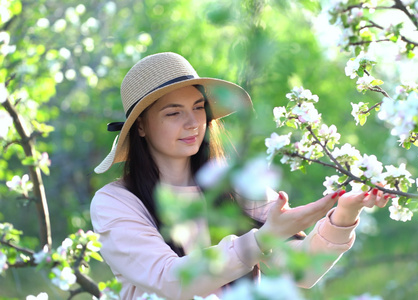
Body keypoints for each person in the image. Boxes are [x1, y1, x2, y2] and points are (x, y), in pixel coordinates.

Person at [90, 52, 391, 300]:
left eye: (198, 108)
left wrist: (345, 215)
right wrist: (261, 240)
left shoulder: (236, 187)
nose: (193, 122)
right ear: (141, 126)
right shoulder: (116, 203)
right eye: (173, 113)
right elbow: (171, 281)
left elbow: (304, 271)